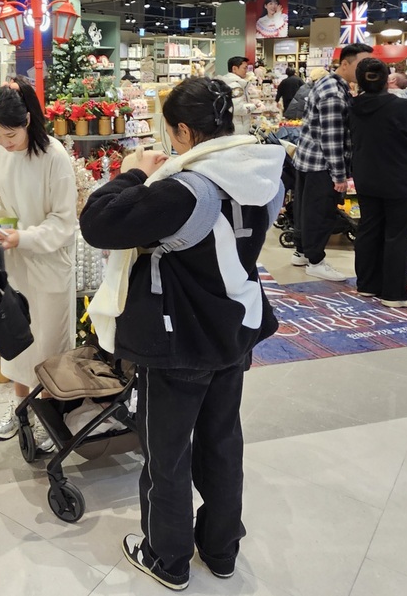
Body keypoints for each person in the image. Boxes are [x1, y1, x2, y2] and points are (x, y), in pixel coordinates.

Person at [80, 77, 284, 592]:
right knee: (221, 443)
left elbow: (99, 223)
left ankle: (166, 557)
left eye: (169, 132)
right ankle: (220, 550)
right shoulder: (261, 171)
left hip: (178, 340)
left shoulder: (184, 188)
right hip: (234, 328)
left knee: (166, 453)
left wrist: (131, 174)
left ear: (185, 132)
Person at [0, 77, 78, 453]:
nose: (4, 144)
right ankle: (21, 407)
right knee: (17, 340)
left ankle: (48, 414)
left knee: (50, 345)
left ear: (28, 120)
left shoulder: (54, 156)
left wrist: (25, 237)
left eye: (10, 135)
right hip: (14, 259)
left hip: (49, 260)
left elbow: (64, 221)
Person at [350, 58, 407, 308]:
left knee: (369, 229)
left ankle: (367, 284)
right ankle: (394, 293)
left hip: (366, 176)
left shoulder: (354, 106)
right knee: (397, 235)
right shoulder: (401, 106)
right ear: (387, 79)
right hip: (398, 177)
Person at [292, 43, 373, 282]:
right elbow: (332, 137)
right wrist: (339, 176)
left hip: (308, 159)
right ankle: (315, 260)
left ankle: (302, 252)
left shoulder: (329, 85)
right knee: (320, 213)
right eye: (361, 64)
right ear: (345, 64)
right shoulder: (333, 92)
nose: (364, 69)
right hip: (321, 164)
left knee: (306, 210)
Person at [219, 56, 257, 135]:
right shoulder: (234, 85)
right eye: (244, 68)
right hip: (237, 128)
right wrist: (253, 106)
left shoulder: (236, 83)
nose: (246, 71)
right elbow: (237, 108)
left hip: (236, 127)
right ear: (234, 69)